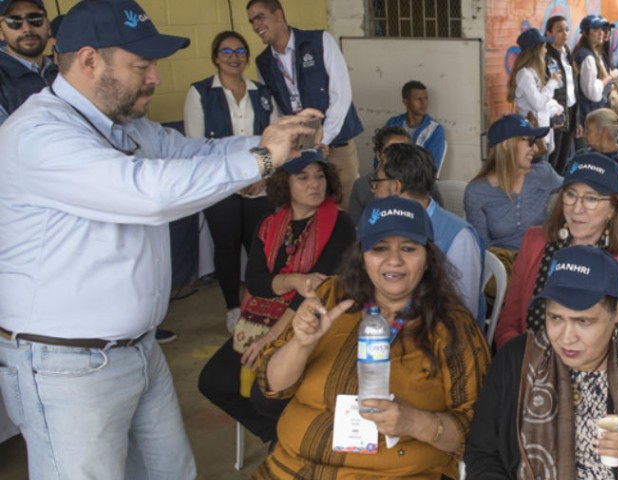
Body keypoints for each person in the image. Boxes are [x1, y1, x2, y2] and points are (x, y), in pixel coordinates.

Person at [0, 0, 322, 476]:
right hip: (65, 366)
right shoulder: (41, 134)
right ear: (89, 61)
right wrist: (261, 161)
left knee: (171, 471)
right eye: (141, 65)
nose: (155, 78)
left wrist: (274, 140)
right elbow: (148, 193)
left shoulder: (125, 127)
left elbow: (196, 153)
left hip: (138, 349)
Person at [253, 196, 491, 479]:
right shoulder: (330, 296)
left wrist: (414, 423)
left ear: (427, 259)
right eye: (379, 248)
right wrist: (301, 344)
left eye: (408, 248)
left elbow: (479, 431)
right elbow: (272, 387)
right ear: (362, 256)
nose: (394, 260)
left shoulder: (452, 326)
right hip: (290, 468)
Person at [465, 245, 618, 479]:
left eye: (583, 321)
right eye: (555, 318)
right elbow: (482, 453)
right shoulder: (517, 360)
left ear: (616, 312)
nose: (566, 337)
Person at [198, 150, 354, 445]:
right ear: (285, 183)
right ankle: (278, 435)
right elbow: (256, 282)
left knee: (263, 393)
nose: (315, 184)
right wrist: (293, 280)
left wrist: (270, 337)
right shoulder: (270, 224)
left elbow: (315, 294)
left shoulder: (340, 224)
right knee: (212, 382)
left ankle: (292, 437)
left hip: (309, 327)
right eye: (303, 177)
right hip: (260, 320)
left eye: (320, 176)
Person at [494, 153, 618, 347]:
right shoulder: (535, 241)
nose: (577, 209)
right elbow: (508, 323)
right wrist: (522, 362)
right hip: (531, 365)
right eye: (571, 195)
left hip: (602, 373)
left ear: (613, 209)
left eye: (591, 198)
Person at [184, 30, 279, 331]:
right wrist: (233, 181)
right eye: (226, 51)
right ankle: (232, 306)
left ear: (247, 57)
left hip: (258, 184)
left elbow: (274, 140)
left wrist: (263, 177)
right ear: (215, 56)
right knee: (225, 247)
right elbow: (196, 146)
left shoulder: (262, 94)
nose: (234, 57)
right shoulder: (200, 93)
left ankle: (258, 300)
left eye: (240, 52)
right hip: (221, 187)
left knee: (258, 247)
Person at [248, 0, 363, 209]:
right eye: (251, 21)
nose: (256, 26)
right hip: (300, 150)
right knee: (308, 212)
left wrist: (323, 139)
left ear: (278, 15)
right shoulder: (263, 62)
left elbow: (341, 94)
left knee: (345, 211)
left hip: (337, 145)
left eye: (260, 17)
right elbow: (274, 111)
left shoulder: (320, 40)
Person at [371, 143, 484, 320]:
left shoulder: (458, 237)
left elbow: (462, 313)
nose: (374, 191)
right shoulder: (383, 226)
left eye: (377, 183)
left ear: (395, 187)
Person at [464, 114, 562, 251]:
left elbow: (574, 189)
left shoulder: (543, 174)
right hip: (503, 265)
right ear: (506, 145)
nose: (535, 149)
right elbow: (482, 247)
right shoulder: (477, 192)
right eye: (530, 141)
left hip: (543, 261)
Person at [0, 0, 56, 126]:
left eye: (35, 19)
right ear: (0, 32)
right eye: (14, 22)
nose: (27, 29)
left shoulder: (63, 71)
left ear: (48, 26)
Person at [510, 28, 561, 157]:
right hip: (532, 139)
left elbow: (544, 102)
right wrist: (553, 81)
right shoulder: (524, 74)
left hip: (542, 135)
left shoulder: (532, 72)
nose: (546, 50)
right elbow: (537, 103)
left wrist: (556, 109)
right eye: (544, 47)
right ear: (536, 50)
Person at [347, 126, 411, 222]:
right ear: (378, 155)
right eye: (391, 152)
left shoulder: (423, 184)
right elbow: (354, 227)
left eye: (404, 151)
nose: (398, 156)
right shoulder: (362, 186)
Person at [385, 80, 447, 171]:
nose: (424, 103)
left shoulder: (435, 129)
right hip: (391, 176)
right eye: (418, 99)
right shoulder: (393, 124)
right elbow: (381, 156)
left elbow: (432, 165)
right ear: (406, 101)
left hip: (419, 181)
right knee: (362, 183)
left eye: (426, 98)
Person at [544, 15, 576, 173]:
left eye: (566, 29)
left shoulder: (566, 52)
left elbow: (572, 87)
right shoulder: (546, 56)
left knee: (564, 156)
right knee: (553, 157)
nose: (565, 33)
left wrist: (577, 119)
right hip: (555, 112)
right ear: (549, 32)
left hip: (569, 110)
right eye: (559, 30)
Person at [573, 14, 616, 129]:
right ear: (586, 33)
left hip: (587, 113)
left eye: (602, 29)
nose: (601, 32)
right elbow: (593, 94)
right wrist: (608, 78)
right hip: (587, 114)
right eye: (596, 29)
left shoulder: (588, 53)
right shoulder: (587, 57)